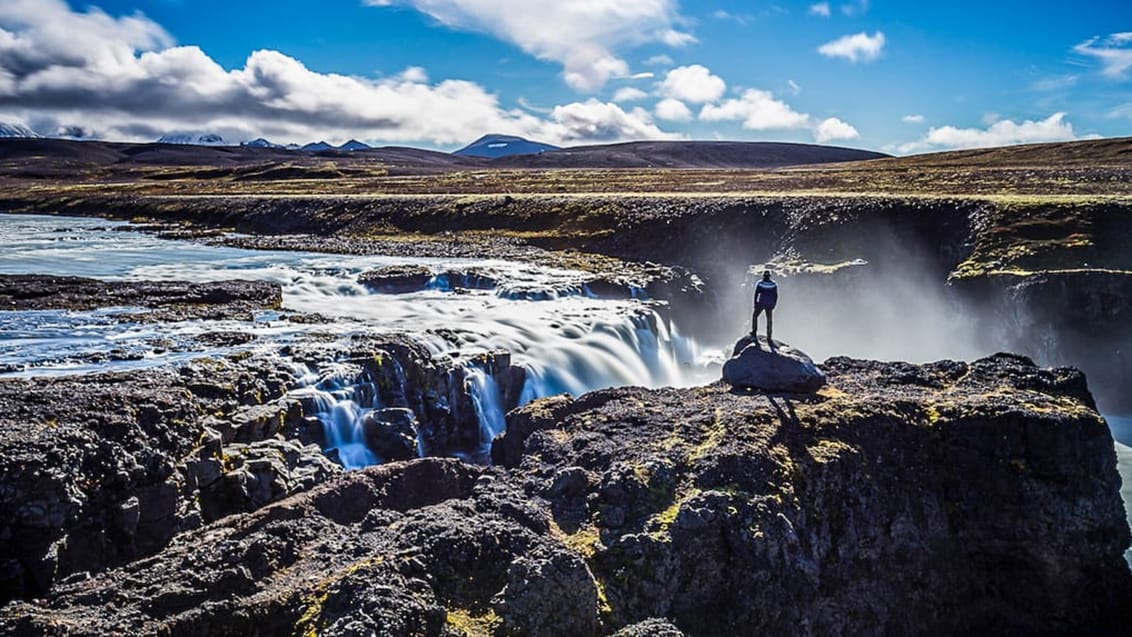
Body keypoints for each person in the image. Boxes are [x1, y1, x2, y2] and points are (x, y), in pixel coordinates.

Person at [751, 270, 778, 340]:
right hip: (769, 304)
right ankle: (769, 336)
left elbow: (756, 294)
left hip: (761, 303)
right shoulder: (773, 284)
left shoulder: (760, 283)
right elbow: (776, 295)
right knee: (769, 320)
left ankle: (754, 332)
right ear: (770, 276)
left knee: (755, 316)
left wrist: (755, 303)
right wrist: (774, 304)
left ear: (763, 276)